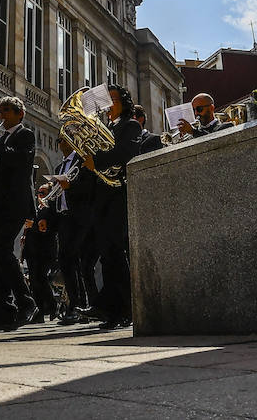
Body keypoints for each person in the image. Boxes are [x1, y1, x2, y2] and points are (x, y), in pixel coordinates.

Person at [82, 84, 143, 330]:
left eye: (114, 99)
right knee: (106, 254)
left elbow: (125, 152)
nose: (109, 104)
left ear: (125, 102)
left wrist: (95, 160)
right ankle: (109, 308)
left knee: (116, 252)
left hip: (118, 194)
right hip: (102, 196)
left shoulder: (131, 125)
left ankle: (124, 309)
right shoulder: (106, 127)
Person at [0, 96, 38, 333]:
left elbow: (19, 161)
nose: (1, 115)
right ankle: (2, 309)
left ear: (19, 114)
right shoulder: (1, 140)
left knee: (2, 252)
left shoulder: (25, 135)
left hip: (14, 204)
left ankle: (26, 302)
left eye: (6, 111)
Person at [49, 138, 96, 325]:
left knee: (79, 262)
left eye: (64, 140)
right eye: (59, 140)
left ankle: (84, 305)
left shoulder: (82, 160)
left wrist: (71, 186)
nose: (61, 143)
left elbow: (88, 187)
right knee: (66, 262)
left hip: (80, 218)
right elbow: (58, 195)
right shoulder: (60, 167)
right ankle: (74, 305)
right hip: (64, 219)